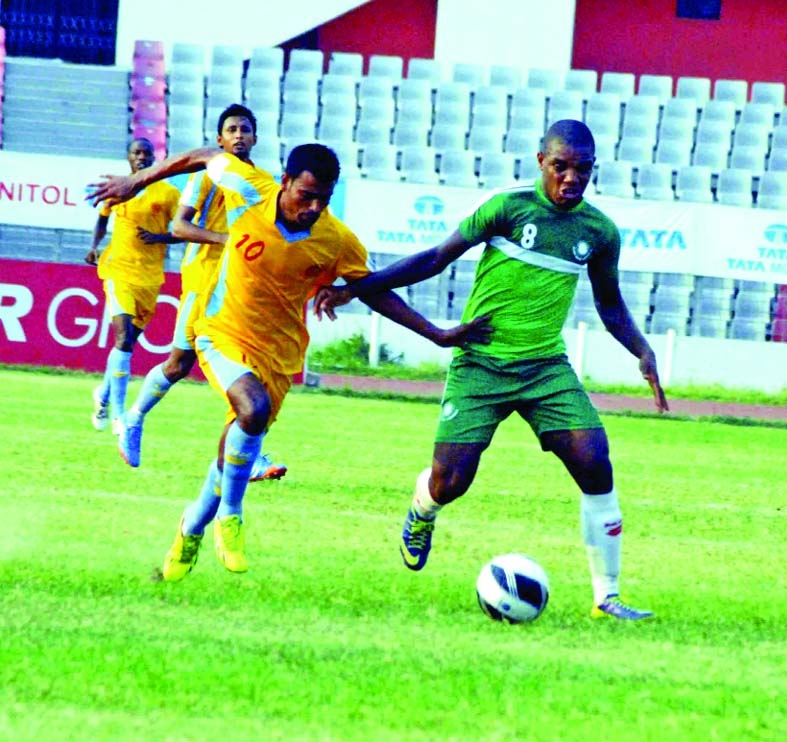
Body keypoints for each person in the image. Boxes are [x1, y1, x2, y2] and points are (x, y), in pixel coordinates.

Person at [87, 142, 492, 582]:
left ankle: (190, 528)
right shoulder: (248, 189)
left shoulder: (335, 240)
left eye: (324, 199)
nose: (314, 207)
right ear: (284, 183)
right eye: (306, 195)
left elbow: (373, 289)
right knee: (252, 409)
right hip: (220, 330)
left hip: (278, 356)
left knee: (232, 452)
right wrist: (135, 182)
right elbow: (204, 155)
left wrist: (437, 334)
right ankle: (231, 516)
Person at [315, 119, 669, 620]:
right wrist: (357, 288)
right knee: (450, 482)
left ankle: (607, 596)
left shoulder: (599, 232)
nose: (571, 179)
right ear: (541, 162)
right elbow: (436, 258)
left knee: (595, 461)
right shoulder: (507, 207)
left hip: (545, 368)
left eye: (582, 170)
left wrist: (642, 349)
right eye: (561, 167)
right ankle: (421, 511)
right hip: (480, 363)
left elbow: (609, 306)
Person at [116, 103, 285, 482]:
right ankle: (134, 417)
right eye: (232, 130)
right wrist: (228, 240)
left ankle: (250, 449)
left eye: (245, 129)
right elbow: (179, 226)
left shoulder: (260, 180)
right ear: (219, 139)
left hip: (239, 286)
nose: (239, 135)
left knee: (237, 368)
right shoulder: (210, 174)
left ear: (256, 137)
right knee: (181, 365)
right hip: (204, 281)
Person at [86, 138, 182, 434]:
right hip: (118, 270)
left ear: (155, 158)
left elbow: (182, 229)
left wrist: (159, 238)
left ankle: (103, 394)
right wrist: (94, 245)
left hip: (150, 278)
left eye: (146, 154)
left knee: (128, 344)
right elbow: (101, 220)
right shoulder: (117, 189)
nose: (141, 157)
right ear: (128, 157)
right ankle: (118, 415)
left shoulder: (167, 193)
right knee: (123, 338)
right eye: (136, 153)